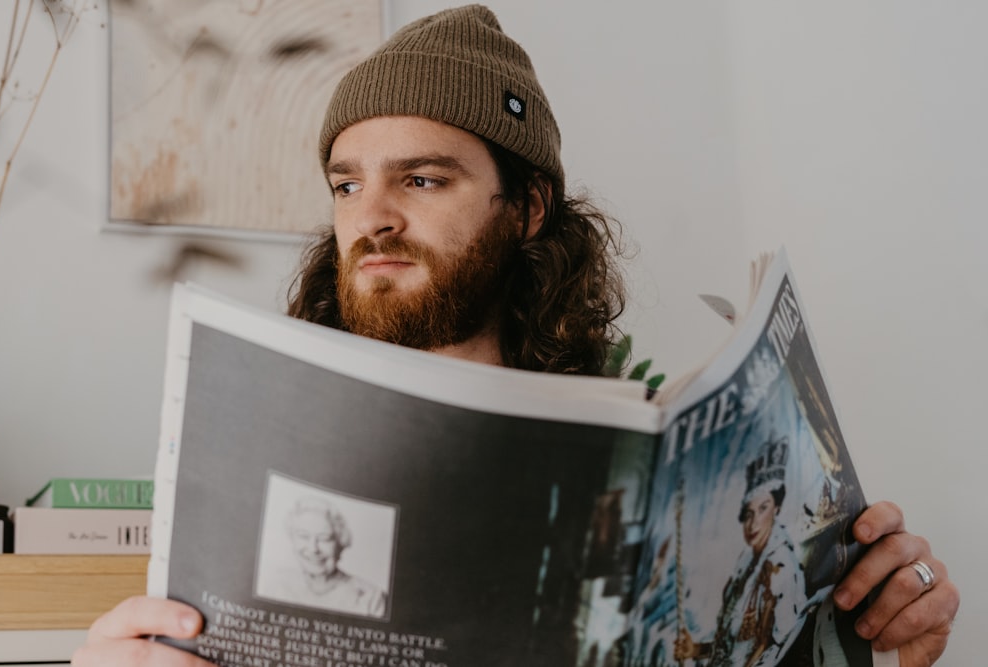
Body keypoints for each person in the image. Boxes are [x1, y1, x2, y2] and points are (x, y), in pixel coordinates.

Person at [71, 5, 959, 666]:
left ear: (528, 208)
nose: (370, 217)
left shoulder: (653, 467)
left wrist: (886, 637)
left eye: (420, 179)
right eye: (346, 185)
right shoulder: (239, 462)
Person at [674, 437, 807, 666]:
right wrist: (695, 649)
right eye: (748, 513)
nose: (753, 523)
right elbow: (731, 647)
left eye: (763, 508)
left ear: (776, 508)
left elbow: (778, 648)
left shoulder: (781, 568)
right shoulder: (745, 565)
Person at [257, 497, 386, 617]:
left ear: (340, 542)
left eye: (324, 539)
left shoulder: (370, 597)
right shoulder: (275, 585)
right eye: (303, 536)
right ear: (292, 540)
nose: (313, 549)